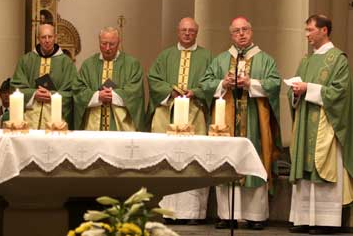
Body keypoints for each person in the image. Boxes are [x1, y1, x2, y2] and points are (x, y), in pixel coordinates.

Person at [199, 17, 281, 230]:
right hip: (226, 122)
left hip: (255, 121)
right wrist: (222, 83)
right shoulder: (220, 60)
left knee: (253, 162)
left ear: (251, 32)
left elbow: (274, 84)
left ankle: (256, 216)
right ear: (231, 34)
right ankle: (227, 215)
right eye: (236, 31)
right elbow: (206, 84)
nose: (241, 34)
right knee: (228, 163)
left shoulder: (265, 60)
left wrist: (251, 83)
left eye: (245, 29)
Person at [288, 14, 353, 235]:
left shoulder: (338, 59)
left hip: (326, 124)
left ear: (324, 31)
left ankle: (326, 220)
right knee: (305, 170)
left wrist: (309, 89)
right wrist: (296, 91)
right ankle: (304, 218)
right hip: (306, 121)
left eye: (310, 30)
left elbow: (341, 93)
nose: (307, 35)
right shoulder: (306, 60)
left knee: (323, 166)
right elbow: (297, 90)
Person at [148, 18, 212, 225]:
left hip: (195, 113)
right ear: (177, 31)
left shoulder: (206, 56)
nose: (187, 34)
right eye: (184, 30)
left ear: (197, 32)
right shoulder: (165, 55)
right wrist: (170, 91)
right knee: (167, 160)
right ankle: (167, 210)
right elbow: (153, 79)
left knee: (193, 160)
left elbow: (212, 82)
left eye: (191, 31)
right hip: (167, 113)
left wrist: (197, 92)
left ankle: (193, 213)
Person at [73, 27, 145, 131]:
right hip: (93, 127)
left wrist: (113, 95)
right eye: (103, 44)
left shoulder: (132, 64)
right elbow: (78, 90)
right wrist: (97, 96)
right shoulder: (88, 65)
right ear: (99, 42)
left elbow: (135, 93)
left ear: (119, 42)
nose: (107, 48)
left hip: (121, 128)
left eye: (112, 44)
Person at [11, 24, 77, 129]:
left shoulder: (66, 63)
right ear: (38, 39)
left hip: (55, 122)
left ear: (55, 37)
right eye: (43, 37)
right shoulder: (26, 60)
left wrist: (52, 95)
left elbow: (73, 92)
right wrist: (34, 94)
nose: (47, 40)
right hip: (29, 119)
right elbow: (16, 88)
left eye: (50, 37)